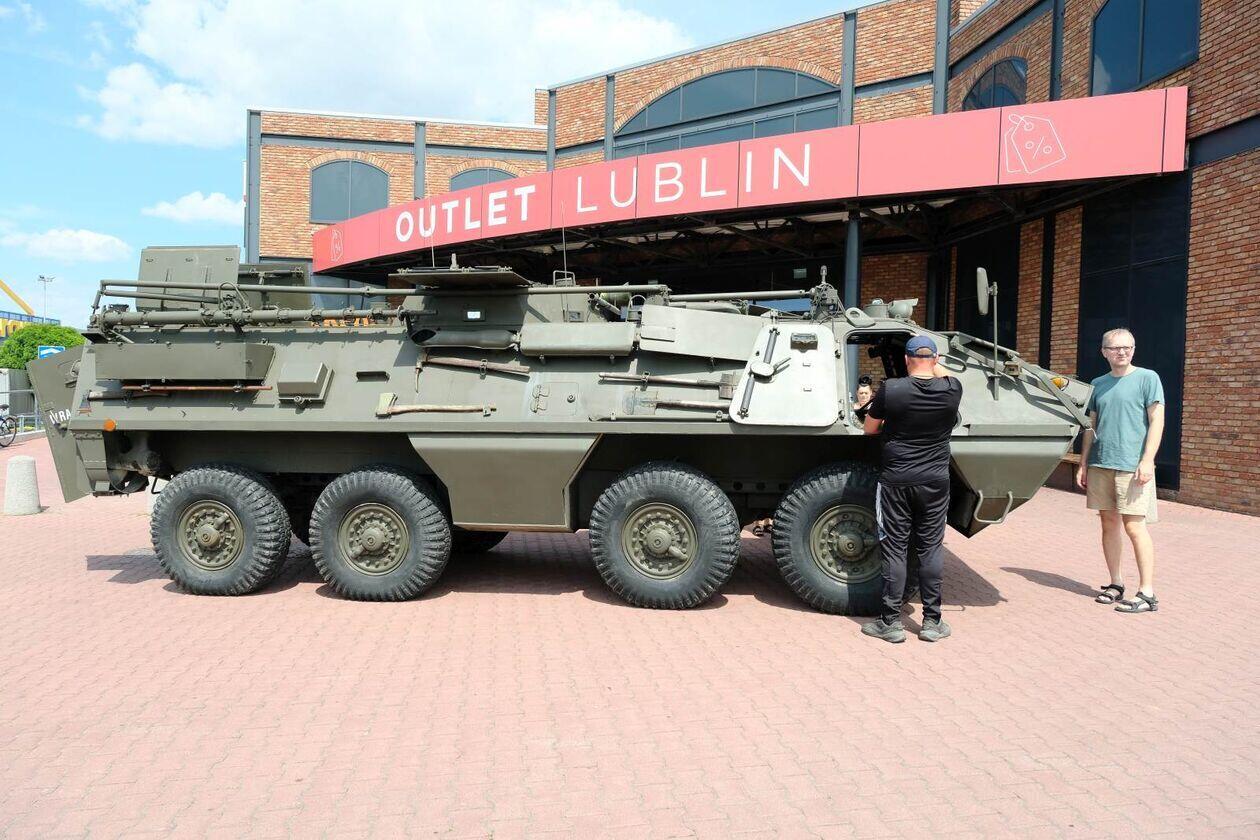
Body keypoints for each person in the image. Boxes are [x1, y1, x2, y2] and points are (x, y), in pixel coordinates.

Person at [860, 335, 962, 643]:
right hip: (935, 481)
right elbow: (944, 374)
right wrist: (933, 364)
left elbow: (869, 429)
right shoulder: (952, 389)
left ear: (905, 360)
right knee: (930, 548)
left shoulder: (892, 389)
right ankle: (932, 622)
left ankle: (890, 622)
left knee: (895, 547)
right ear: (935, 359)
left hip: (897, 480)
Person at [1075, 328, 1164, 614]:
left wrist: (1147, 460)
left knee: (1134, 526)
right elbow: (1091, 426)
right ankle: (1116, 583)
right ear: (1104, 352)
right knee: (1108, 523)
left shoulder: (1148, 378)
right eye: (1115, 348)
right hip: (1101, 463)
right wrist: (1083, 462)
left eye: (1127, 347)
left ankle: (1147, 593)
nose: (1122, 352)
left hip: (1132, 466)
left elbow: (1157, 421)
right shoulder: (1098, 384)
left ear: (1134, 349)